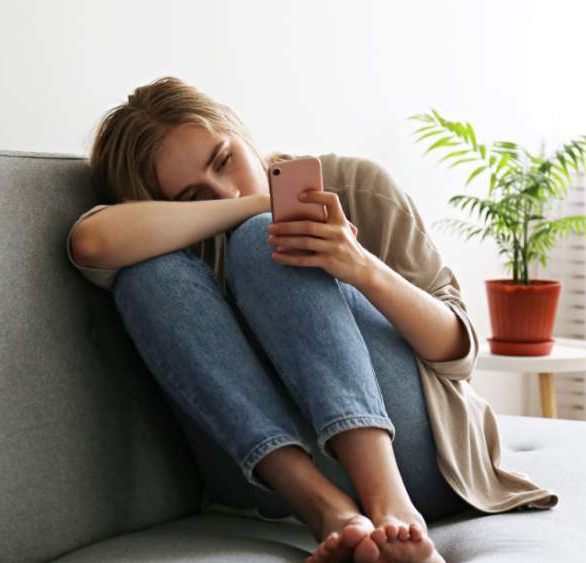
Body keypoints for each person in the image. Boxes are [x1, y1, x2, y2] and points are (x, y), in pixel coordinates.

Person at [66, 76, 559, 563]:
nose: (223, 193)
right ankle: (332, 514)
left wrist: (361, 267)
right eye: (192, 197)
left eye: (224, 160)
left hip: (419, 461)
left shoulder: (357, 184)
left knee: (266, 239)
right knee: (149, 275)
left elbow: (459, 353)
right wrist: (259, 205)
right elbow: (91, 243)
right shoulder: (169, 238)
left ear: (238, 129)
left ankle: (392, 506)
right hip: (275, 486)